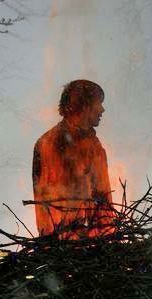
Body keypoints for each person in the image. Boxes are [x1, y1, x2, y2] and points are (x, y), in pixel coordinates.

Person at [32, 79, 114, 238]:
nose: (102, 109)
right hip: (66, 249)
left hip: (93, 247)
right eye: (98, 103)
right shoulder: (49, 145)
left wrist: (107, 238)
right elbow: (47, 207)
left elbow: (103, 201)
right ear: (83, 106)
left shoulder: (94, 145)